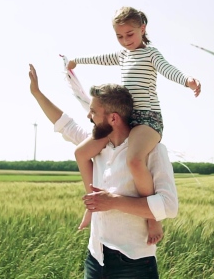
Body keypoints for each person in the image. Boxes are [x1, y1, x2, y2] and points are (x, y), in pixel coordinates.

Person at [28, 63, 178, 279]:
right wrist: (37, 94)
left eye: (94, 112)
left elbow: (169, 206)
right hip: (95, 257)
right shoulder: (97, 145)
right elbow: (65, 125)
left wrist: (114, 201)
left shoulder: (153, 151)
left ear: (113, 118)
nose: (89, 116)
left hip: (134, 263)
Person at [67, 6, 200, 244]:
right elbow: (99, 58)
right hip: (127, 118)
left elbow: (167, 69)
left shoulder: (151, 54)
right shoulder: (122, 55)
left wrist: (187, 80)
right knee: (81, 152)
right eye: (119, 36)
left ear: (142, 29)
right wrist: (77, 61)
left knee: (134, 159)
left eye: (130, 34)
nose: (125, 40)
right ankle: (92, 201)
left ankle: (152, 217)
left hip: (148, 120)